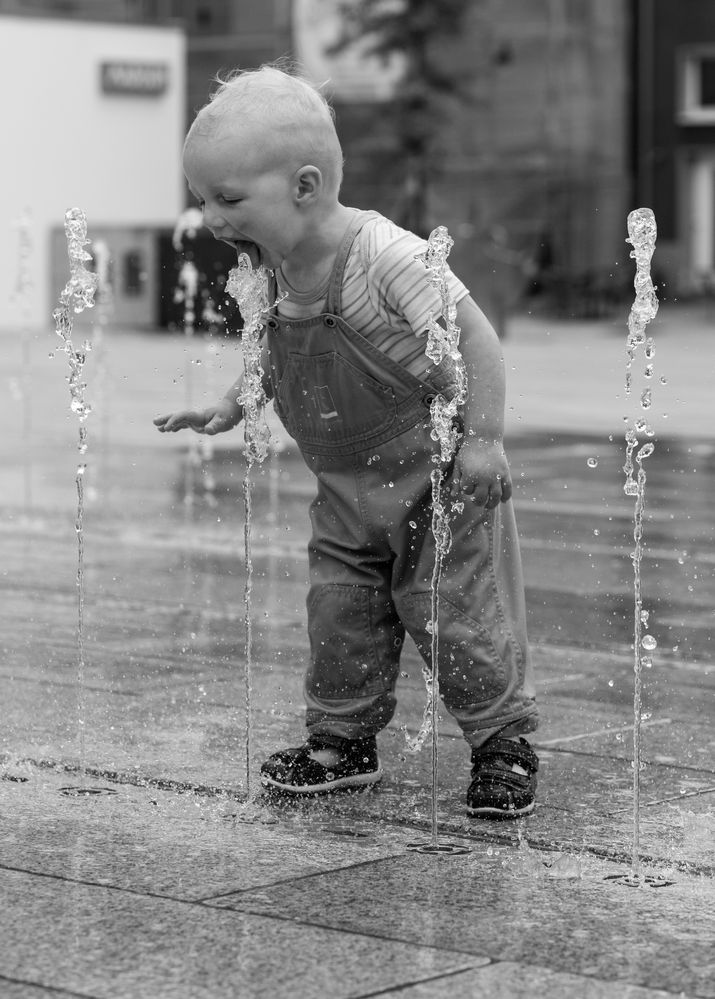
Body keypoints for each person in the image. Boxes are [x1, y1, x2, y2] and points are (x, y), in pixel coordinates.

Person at [154, 65, 538, 819]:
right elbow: (270, 347)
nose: (211, 219)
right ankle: (342, 743)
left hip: (434, 478)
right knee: (339, 614)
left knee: (454, 613)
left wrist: (484, 440)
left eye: (228, 200)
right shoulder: (273, 266)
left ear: (303, 186)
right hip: (344, 490)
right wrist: (232, 403)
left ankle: (502, 743)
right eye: (201, 200)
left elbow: (477, 338)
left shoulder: (382, 255)